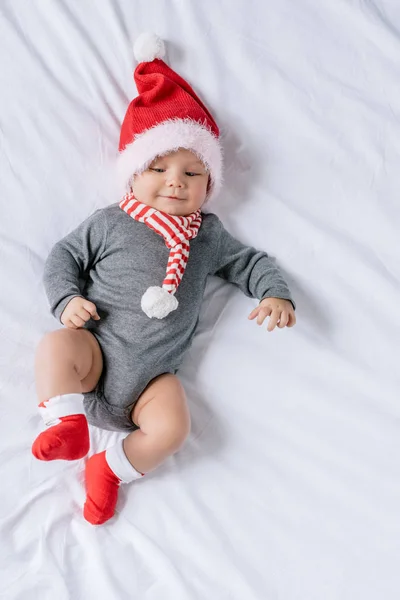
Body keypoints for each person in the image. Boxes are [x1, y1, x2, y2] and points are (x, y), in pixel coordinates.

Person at [32, 33, 296, 525]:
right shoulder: (111, 221)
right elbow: (63, 256)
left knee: (173, 429)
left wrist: (274, 291)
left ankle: (110, 467)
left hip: (152, 382)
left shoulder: (208, 235)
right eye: (159, 166)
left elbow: (248, 262)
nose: (176, 180)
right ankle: (65, 420)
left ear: (209, 186)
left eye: (193, 173)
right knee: (54, 345)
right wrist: (66, 298)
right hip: (93, 356)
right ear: (133, 174)